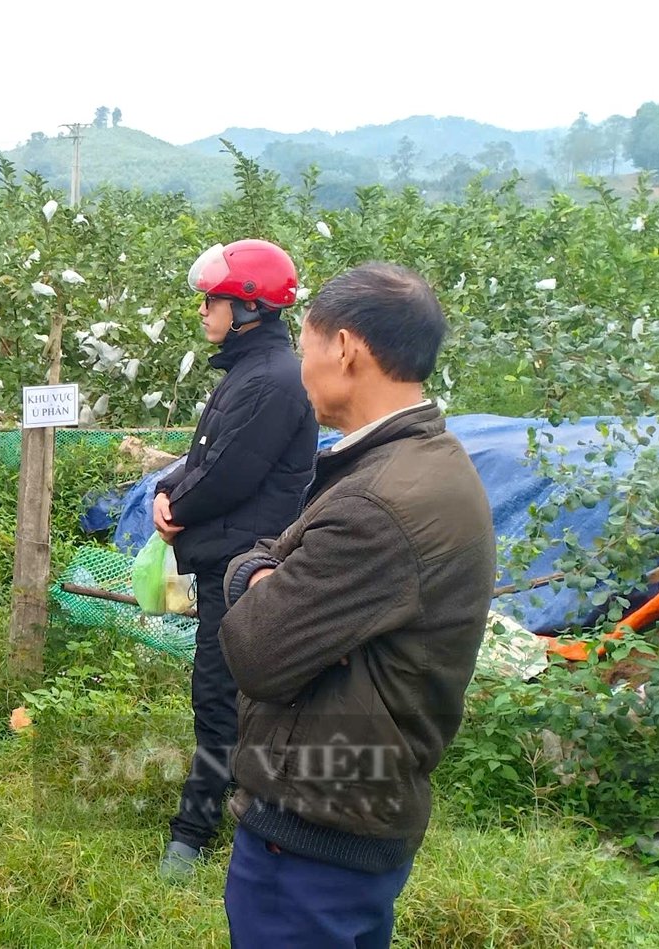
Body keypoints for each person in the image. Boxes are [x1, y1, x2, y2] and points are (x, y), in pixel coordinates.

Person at [218, 262, 496, 947]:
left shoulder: (380, 502)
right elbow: (273, 567)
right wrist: (268, 571)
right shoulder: (419, 464)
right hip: (355, 815)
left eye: (305, 344)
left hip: (315, 830)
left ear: (344, 347)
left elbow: (256, 645)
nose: (301, 363)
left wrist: (255, 576)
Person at [153, 239, 319, 880]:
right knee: (231, 695)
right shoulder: (251, 374)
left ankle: (195, 834)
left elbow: (229, 475)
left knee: (224, 696)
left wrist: (176, 504)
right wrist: (170, 487)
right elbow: (207, 459)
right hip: (231, 556)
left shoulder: (270, 381)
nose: (203, 310)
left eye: (212, 300)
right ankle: (245, 813)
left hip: (247, 564)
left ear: (247, 306)